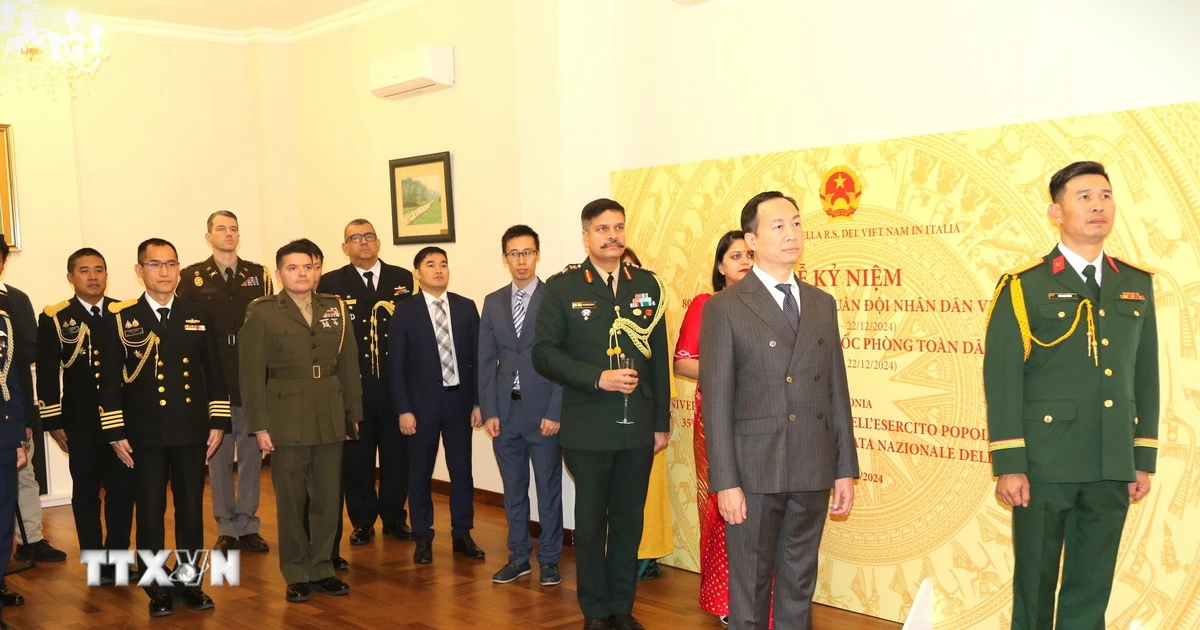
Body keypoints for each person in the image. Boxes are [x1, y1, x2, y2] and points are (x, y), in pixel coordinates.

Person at [984, 161, 1158, 630]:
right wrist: (1009, 462)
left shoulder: (1135, 284)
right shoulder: (1024, 285)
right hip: (1044, 462)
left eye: (1105, 195)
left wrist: (1141, 456)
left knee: (1092, 584)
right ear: (1055, 212)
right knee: (1035, 583)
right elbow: (1001, 379)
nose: (1098, 205)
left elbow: (1145, 375)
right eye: (1083, 196)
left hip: (1110, 460)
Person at [700, 191, 858, 630]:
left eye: (796, 222)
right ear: (750, 240)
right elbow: (716, 402)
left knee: (799, 584)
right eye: (778, 226)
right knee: (748, 588)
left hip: (811, 462)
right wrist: (725, 483)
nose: (792, 233)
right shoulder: (726, 307)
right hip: (753, 473)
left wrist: (844, 468)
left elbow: (836, 392)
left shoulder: (822, 303)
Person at [533, 198, 671, 630]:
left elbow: (658, 358)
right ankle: (594, 611)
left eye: (619, 227)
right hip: (588, 425)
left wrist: (661, 422)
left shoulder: (646, 285)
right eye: (602, 228)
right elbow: (543, 354)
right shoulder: (563, 288)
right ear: (586, 236)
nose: (612, 235)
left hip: (638, 427)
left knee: (629, 520)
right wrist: (597, 378)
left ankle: (621, 608)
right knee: (590, 523)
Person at [98, 238, 230, 618]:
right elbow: (108, 382)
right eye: (155, 265)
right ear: (140, 271)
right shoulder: (121, 319)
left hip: (190, 431)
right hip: (144, 435)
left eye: (171, 264)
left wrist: (218, 422)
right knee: (151, 512)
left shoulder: (198, 314)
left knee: (191, 511)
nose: (165, 272)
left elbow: (215, 375)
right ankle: (156, 588)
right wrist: (114, 431)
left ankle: (191, 583)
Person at [240, 240, 361, 604]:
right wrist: (259, 426)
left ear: (317, 270)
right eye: (293, 268)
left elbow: (350, 366)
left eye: (307, 266)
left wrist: (353, 414)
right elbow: (250, 374)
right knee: (291, 500)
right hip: (285, 415)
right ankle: (295, 571)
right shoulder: (262, 312)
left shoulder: (334, 308)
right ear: (279, 274)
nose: (302, 273)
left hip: (329, 410)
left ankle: (322, 566)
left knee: (327, 496)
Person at [36, 248, 135, 585]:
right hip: (80, 423)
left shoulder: (125, 313)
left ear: (107, 275)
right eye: (84, 270)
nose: (93, 276)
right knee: (86, 494)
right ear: (71, 277)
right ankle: (96, 562)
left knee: (123, 492)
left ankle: (118, 560)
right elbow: (48, 374)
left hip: (122, 422)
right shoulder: (55, 317)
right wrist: (52, 421)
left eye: (99, 270)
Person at [176, 211, 273, 553]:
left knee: (251, 455)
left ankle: (247, 524)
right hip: (211, 380)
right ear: (208, 236)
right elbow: (185, 331)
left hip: (249, 378)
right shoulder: (191, 277)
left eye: (233, 228)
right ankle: (225, 526)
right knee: (216, 458)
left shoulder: (258, 275)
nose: (228, 234)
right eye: (221, 228)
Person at [673, 230, 754, 625]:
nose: (744, 261)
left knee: (761, 506)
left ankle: (760, 597)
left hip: (761, 420)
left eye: (749, 254)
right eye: (734, 255)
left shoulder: (766, 305)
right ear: (720, 266)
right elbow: (683, 361)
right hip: (718, 416)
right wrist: (729, 372)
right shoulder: (707, 305)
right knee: (723, 503)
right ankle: (724, 599)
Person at [320, 219, 416, 546]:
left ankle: (394, 518)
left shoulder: (402, 279)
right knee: (357, 463)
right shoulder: (330, 283)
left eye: (369, 236)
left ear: (379, 242)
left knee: (396, 459)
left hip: (395, 387)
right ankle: (362, 521)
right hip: (353, 389)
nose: (363, 243)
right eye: (355, 238)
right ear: (345, 247)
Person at [479, 225, 564, 587]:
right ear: (505, 258)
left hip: (543, 412)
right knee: (513, 490)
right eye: (514, 253)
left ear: (537, 255)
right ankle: (518, 557)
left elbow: (563, 359)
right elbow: (485, 360)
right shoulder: (493, 301)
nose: (521, 260)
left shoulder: (555, 298)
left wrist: (555, 411)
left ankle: (549, 559)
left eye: (527, 252)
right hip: (505, 412)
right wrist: (489, 410)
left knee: (548, 489)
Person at [389, 246, 484, 564]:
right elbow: (396, 365)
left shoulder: (466, 307)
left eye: (443, 264)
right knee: (419, 472)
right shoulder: (405, 310)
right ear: (417, 273)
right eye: (430, 265)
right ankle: (423, 536)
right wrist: (403, 408)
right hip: (420, 407)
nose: (439, 270)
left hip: (459, 403)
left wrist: (478, 402)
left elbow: (477, 359)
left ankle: (462, 534)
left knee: (462, 471)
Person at [1, 240, 68, 577]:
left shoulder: (15, 299)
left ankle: (31, 538)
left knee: (24, 475)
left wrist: (27, 415)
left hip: (14, 404)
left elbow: (29, 351)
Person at [620, 246, 673, 582]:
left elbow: (661, 366)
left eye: (631, 266)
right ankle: (622, 555)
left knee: (649, 492)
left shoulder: (651, 306)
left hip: (646, 415)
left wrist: (661, 418)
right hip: (610, 419)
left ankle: (646, 555)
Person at [0, 302, 27, 630]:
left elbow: (11, 381)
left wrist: (17, 434)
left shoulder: (3, 320)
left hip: (2, 436)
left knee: (3, 523)